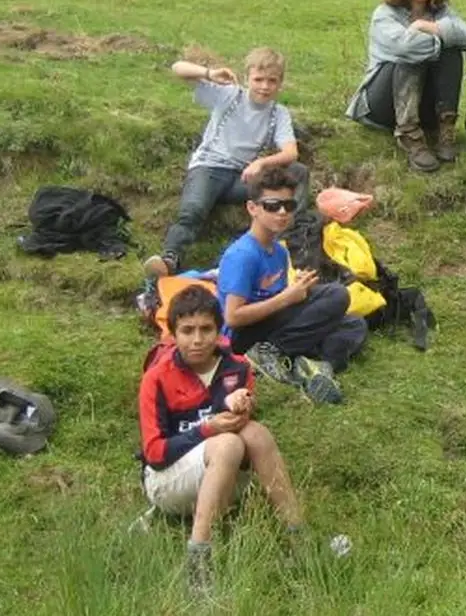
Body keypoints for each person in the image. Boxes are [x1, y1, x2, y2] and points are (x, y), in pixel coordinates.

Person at [137, 287, 304, 590]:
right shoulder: (157, 377)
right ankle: (199, 559)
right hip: (167, 484)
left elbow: (242, 430)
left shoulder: (238, 368)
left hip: (223, 479)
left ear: (218, 331)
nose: (197, 339)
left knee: (255, 432)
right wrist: (208, 428)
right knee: (227, 443)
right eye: (187, 331)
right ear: (173, 334)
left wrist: (242, 405)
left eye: (206, 329)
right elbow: (155, 454)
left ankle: (298, 537)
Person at [144, 48, 306, 283]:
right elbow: (178, 69)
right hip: (209, 167)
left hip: (242, 176)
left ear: (280, 83)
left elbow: (291, 152)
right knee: (194, 209)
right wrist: (209, 73)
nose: (264, 86)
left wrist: (261, 163)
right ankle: (170, 259)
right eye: (258, 80)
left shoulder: (278, 113)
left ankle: (288, 240)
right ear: (247, 77)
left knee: (298, 172)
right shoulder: (229, 95)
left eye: (272, 81)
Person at [217, 166, 367, 405]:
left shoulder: (277, 250)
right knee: (337, 295)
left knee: (354, 323)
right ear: (252, 208)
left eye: (288, 205)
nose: (282, 213)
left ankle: (315, 367)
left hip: (270, 324)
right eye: (272, 205)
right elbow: (233, 317)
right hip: (243, 337)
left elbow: (281, 300)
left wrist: (297, 291)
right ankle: (270, 354)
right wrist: (287, 297)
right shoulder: (242, 255)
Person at [346, 0, 466, 173]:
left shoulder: (441, 12)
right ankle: (409, 135)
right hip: (382, 105)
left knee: (450, 53)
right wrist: (442, 38)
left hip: (422, 103)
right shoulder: (384, 14)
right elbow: (405, 47)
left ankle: (444, 130)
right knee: (413, 54)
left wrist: (426, 26)